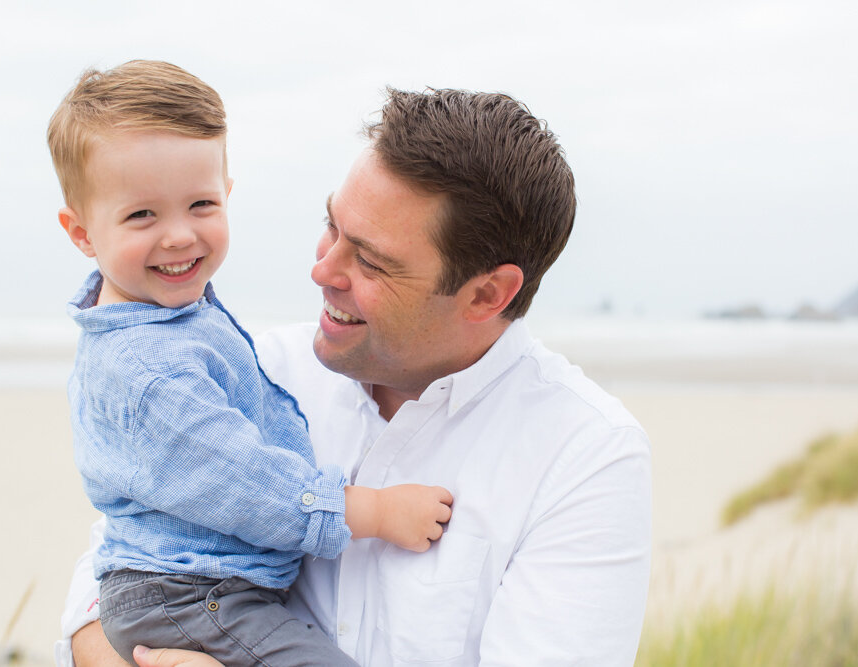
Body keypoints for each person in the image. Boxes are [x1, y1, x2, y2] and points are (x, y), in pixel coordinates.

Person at [58, 87, 652, 667]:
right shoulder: (263, 369)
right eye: (331, 225)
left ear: (487, 294)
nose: (322, 269)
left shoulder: (585, 457)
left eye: (369, 261)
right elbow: (118, 562)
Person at [48, 61, 453, 666]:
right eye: (142, 215)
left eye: (201, 204)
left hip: (196, 588)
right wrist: (376, 510)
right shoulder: (151, 372)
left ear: (228, 194)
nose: (179, 235)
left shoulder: (169, 319)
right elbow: (243, 482)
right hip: (191, 595)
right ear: (81, 233)